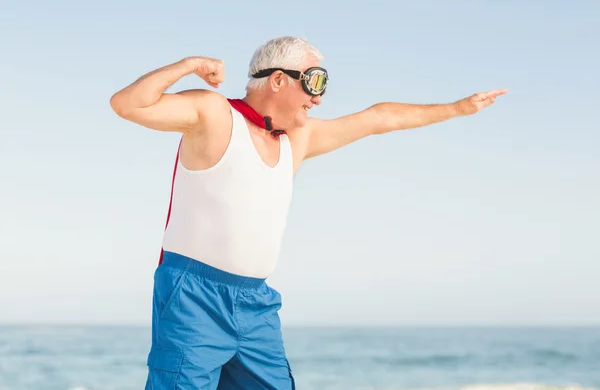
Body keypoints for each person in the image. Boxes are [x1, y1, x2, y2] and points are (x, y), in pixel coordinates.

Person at [109, 36, 507, 390]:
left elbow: (378, 118)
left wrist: (456, 108)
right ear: (278, 79)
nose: (318, 98)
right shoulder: (213, 114)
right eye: (313, 81)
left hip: (256, 303)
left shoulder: (297, 139)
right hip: (194, 295)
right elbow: (126, 104)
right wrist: (188, 66)